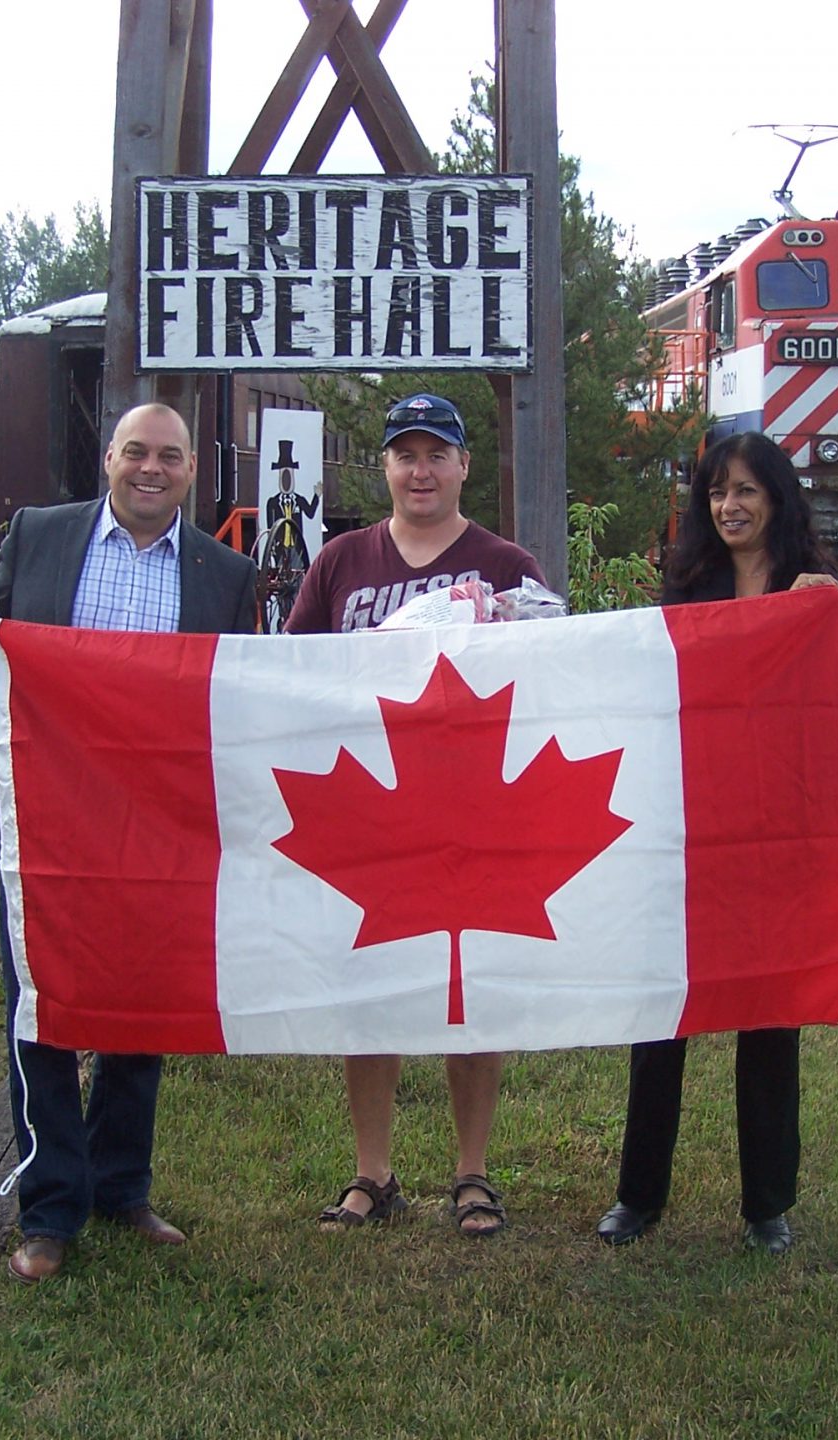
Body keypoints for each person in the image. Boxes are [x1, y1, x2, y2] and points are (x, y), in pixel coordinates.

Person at [0, 402, 259, 1283]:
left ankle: (123, 1186)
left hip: (159, 825)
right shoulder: (40, 536)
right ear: (109, 459)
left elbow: (238, 696)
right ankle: (50, 1208)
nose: (149, 470)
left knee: (140, 1006)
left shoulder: (224, 574)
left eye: (168, 456)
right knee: (39, 1004)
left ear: (192, 470)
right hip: (47, 823)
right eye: (134, 453)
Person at [595, 429, 838, 1256]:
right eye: (718, 492)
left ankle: (768, 1203)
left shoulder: (818, 597)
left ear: (776, 501)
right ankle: (638, 1195)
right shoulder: (684, 591)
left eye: (746, 492)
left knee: (771, 1015)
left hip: (780, 836)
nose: (730, 506)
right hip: (686, 832)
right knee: (663, 1012)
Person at [285, 392, 544, 1236]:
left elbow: (554, 678)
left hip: (476, 809)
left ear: (465, 466)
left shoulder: (506, 563)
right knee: (374, 981)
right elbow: (288, 675)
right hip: (372, 807)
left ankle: (472, 1173)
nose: (421, 470)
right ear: (387, 468)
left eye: (438, 454)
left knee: (472, 988)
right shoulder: (341, 563)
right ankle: (374, 1173)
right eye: (406, 454)